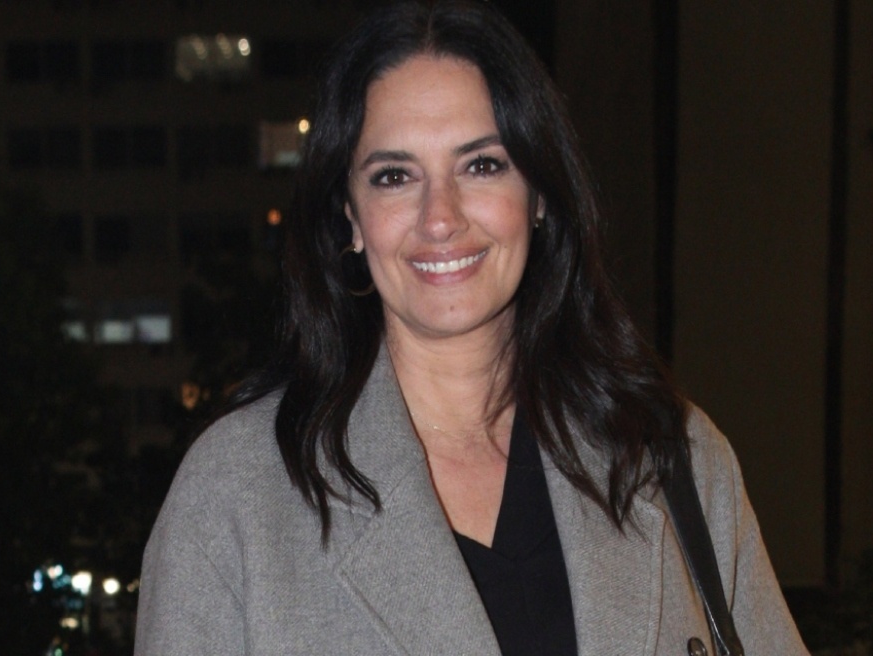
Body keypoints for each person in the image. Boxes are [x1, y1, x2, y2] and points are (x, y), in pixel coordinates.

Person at [135, 1, 809, 654]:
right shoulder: (236, 495)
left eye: (482, 165)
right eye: (394, 176)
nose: (441, 217)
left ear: (538, 193)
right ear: (350, 217)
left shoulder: (668, 455)